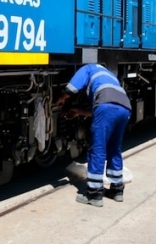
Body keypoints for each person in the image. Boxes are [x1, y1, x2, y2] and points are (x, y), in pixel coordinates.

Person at [55, 64, 132, 207]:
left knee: (97, 149)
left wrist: (62, 98)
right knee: (114, 148)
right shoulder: (109, 73)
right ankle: (117, 190)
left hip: (106, 106)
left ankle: (94, 194)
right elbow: (103, 110)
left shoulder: (88, 68)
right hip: (125, 108)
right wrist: (78, 111)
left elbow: (72, 87)